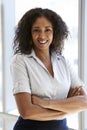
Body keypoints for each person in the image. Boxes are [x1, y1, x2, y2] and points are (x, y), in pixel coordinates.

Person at [10, 7, 87, 130]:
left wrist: (44, 103)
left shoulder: (63, 62)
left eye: (47, 30)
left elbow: (84, 102)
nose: (42, 35)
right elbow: (27, 112)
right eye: (36, 30)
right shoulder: (20, 60)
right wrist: (65, 109)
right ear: (29, 33)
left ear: (55, 32)